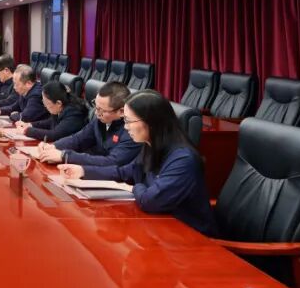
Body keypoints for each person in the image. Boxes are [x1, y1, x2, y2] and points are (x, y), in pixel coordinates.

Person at [58, 90, 217, 237]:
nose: (125, 127)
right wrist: (83, 171)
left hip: (191, 238)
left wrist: (134, 187)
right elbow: (125, 172)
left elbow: (150, 201)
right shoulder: (151, 145)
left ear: (151, 122)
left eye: (128, 121)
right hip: (162, 229)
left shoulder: (183, 159)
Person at [38, 81, 140, 167]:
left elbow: (112, 162)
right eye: (96, 106)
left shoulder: (132, 131)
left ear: (121, 111)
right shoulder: (100, 119)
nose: (96, 113)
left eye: (101, 110)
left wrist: (65, 156)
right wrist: (54, 146)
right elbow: (78, 139)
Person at [20, 81, 89, 142]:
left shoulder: (74, 114)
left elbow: (54, 135)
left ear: (58, 103)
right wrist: (31, 125)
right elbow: (50, 122)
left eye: (46, 103)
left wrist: (28, 130)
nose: (45, 106)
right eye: (43, 102)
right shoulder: (61, 107)